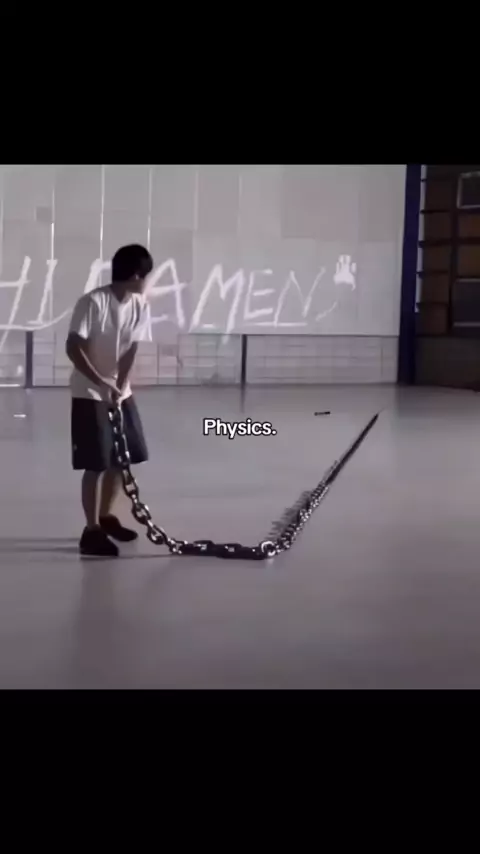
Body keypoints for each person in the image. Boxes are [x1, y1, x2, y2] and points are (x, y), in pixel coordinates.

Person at [66, 244, 154, 557]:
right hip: (89, 391)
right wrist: (101, 382)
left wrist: (120, 384)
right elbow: (73, 347)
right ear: (135, 275)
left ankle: (106, 516)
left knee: (123, 457)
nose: (146, 281)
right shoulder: (93, 302)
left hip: (119, 390)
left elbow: (131, 348)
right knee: (96, 462)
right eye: (145, 275)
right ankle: (91, 531)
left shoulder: (140, 305)